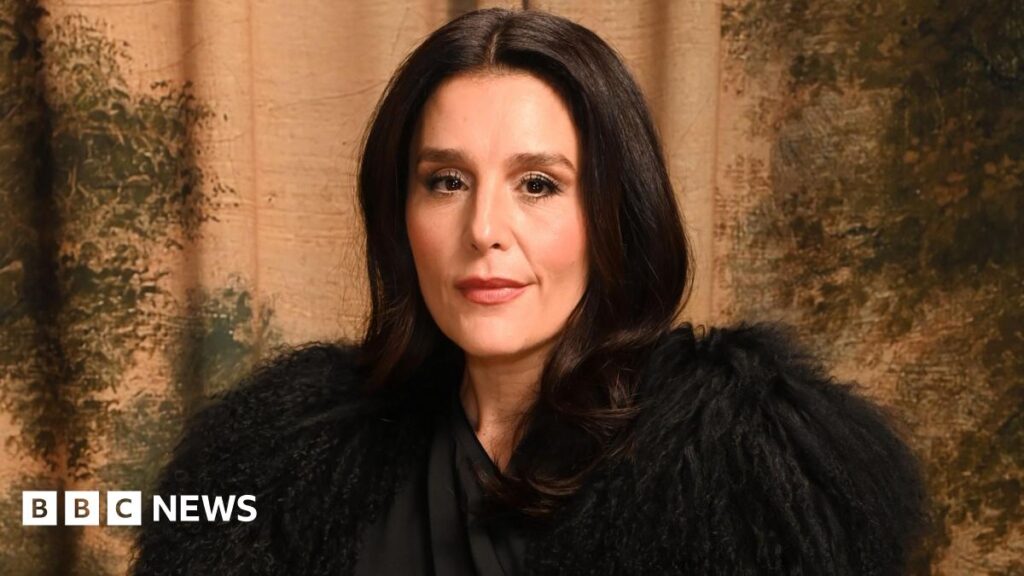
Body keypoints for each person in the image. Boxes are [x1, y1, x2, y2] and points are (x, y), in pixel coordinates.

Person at [129, 7, 927, 575]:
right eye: (445, 181)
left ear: (616, 212)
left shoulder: (749, 470)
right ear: (398, 214)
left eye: (538, 184)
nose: (484, 229)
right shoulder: (278, 464)